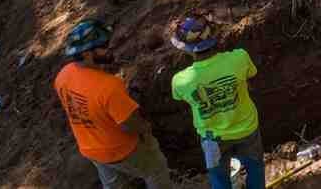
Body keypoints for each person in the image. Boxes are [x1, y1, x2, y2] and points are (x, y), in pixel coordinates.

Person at [54, 18, 173, 189]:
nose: (109, 48)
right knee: (155, 170)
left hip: (90, 148)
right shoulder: (109, 86)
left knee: (114, 184)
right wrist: (146, 127)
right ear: (87, 54)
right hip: (122, 150)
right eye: (103, 46)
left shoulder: (63, 76)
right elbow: (129, 125)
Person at [169, 15, 265, 189]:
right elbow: (251, 77)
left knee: (219, 178)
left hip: (212, 138)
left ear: (188, 48)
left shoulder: (180, 80)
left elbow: (182, 98)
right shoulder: (240, 58)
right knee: (255, 169)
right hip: (247, 128)